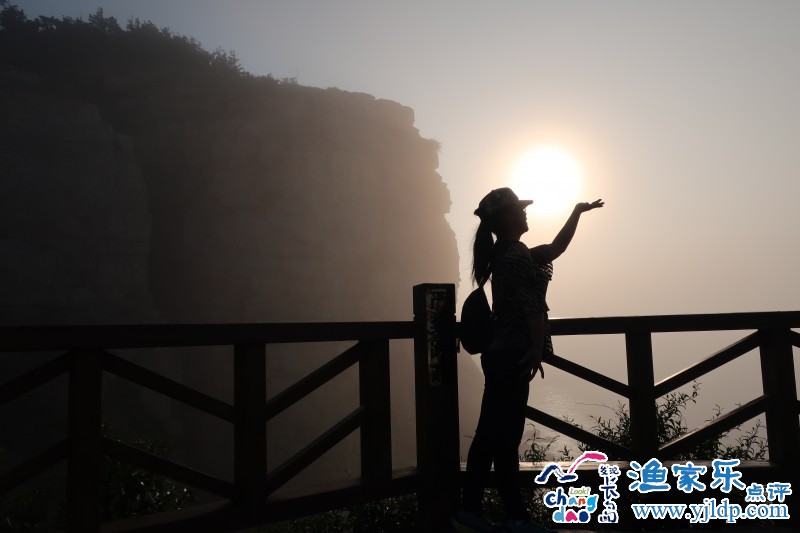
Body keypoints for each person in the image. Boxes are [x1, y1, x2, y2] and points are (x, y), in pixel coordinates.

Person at [452, 187, 603, 533]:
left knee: (498, 436)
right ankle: (481, 512)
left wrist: (577, 212)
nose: (525, 213)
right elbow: (531, 305)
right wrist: (536, 348)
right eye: (519, 210)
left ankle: (502, 514)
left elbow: (555, 248)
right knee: (497, 437)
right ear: (507, 218)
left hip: (503, 356)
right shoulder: (513, 257)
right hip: (511, 356)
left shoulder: (509, 252)